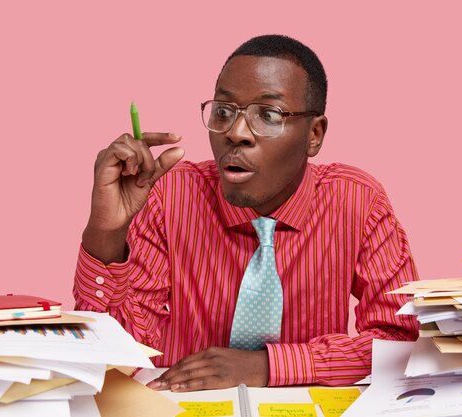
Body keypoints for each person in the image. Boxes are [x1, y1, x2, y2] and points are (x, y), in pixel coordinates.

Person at [74, 34, 419, 392]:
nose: (237, 133)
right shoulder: (168, 195)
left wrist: (271, 365)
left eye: (268, 115)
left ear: (314, 134)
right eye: (223, 112)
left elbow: (400, 343)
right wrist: (105, 233)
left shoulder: (358, 201)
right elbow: (117, 355)